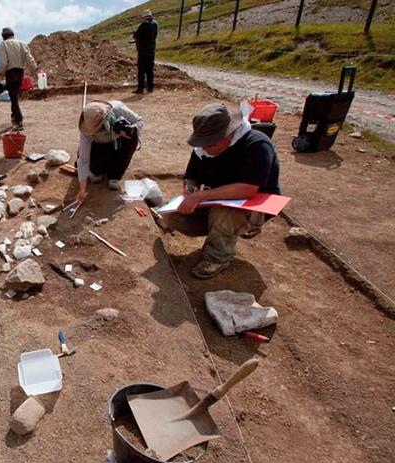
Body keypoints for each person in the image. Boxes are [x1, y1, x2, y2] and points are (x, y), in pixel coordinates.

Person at [160, 103, 282, 279]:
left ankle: (218, 257)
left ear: (229, 134)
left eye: (210, 143)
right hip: (214, 201)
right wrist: (190, 190)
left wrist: (202, 195)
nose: (205, 148)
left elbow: (248, 188)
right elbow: (190, 176)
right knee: (171, 214)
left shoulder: (257, 145)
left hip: (252, 206)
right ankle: (219, 231)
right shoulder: (202, 150)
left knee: (223, 213)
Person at [76, 100, 143, 203]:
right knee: (96, 174)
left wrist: (131, 129)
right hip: (99, 147)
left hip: (119, 143)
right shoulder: (87, 128)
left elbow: (139, 121)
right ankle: (97, 171)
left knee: (132, 138)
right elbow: (83, 159)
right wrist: (82, 190)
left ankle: (115, 175)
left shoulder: (118, 109)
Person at [0, 27, 37, 131]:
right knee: (14, 96)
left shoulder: (4, 44)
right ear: (12, 34)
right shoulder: (22, 43)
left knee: (14, 98)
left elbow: (4, 63)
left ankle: (19, 121)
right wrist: (36, 68)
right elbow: (29, 58)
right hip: (20, 72)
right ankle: (14, 117)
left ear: (3, 37)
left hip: (11, 73)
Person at [131, 10, 158, 94]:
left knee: (141, 71)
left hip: (143, 51)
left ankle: (140, 89)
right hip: (151, 50)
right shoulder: (155, 24)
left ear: (144, 17)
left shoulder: (144, 24)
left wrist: (135, 35)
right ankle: (150, 87)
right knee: (150, 70)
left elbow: (136, 36)